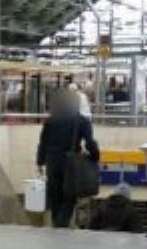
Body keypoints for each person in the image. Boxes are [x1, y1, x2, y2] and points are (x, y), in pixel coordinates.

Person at [37, 88, 100, 229]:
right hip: (70, 164)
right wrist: (95, 156)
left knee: (55, 197)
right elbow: (90, 143)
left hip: (51, 162)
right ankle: (60, 227)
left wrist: (40, 162)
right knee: (69, 197)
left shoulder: (50, 121)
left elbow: (43, 142)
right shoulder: (82, 121)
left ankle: (56, 225)